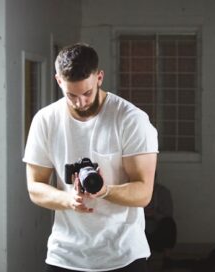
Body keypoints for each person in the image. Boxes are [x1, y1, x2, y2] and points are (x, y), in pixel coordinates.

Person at [24, 43, 158, 271]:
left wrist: (105, 191)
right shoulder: (45, 120)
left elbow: (144, 193)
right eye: (71, 95)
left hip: (123, 254)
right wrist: (69, 200)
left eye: (87, 93)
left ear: (99, 78)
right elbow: (35, 186)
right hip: (65, 255)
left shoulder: (130, 119)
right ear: (58, 81)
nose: (80, 102)